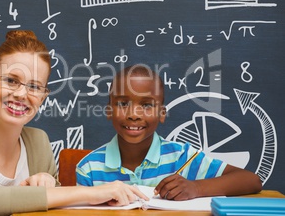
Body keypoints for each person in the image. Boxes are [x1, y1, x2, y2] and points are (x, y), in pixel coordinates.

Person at [0, 30, 148, 215]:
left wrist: (48, 182)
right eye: (11, 80)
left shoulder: (38, 142)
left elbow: (51, 207)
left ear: (44, 96)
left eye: (34, 87)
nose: (21, 94)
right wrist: (90, 193)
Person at [76, 64, 262, 201]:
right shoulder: (89, 168)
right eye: (123, 104)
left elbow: (251, 180)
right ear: (109, 111)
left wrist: (195, 188)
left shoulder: (182, 157)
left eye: (147, 105)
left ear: (162, 114)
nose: (133, 115)